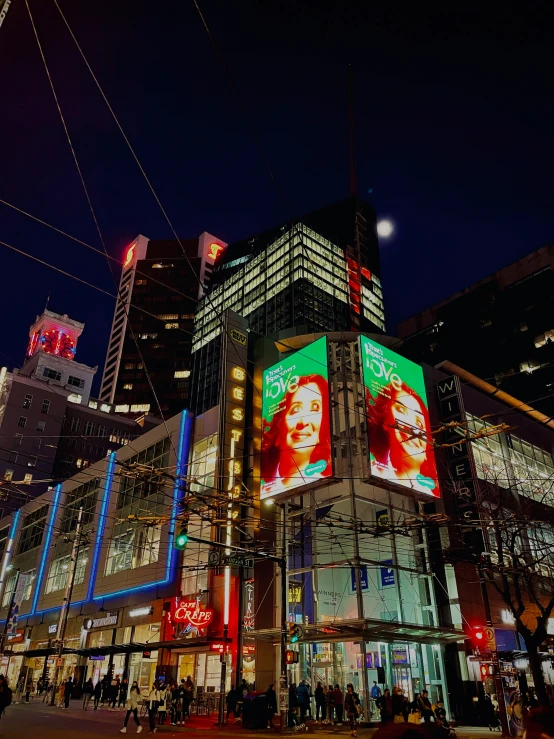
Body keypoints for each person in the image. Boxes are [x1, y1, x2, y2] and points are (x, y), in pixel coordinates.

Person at [261, 374, 332, 497]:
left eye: (315, 407)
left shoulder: (326, 491)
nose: (303, 422)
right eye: (296, 409)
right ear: (278, 432)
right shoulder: (260, 493)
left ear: (322, 431)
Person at [366, 379, 439, 496]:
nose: (411, 426)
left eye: (419, 423)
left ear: (427, 449)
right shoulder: (369, 470)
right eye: (401, 410)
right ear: (385, 422)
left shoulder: (433, 493)